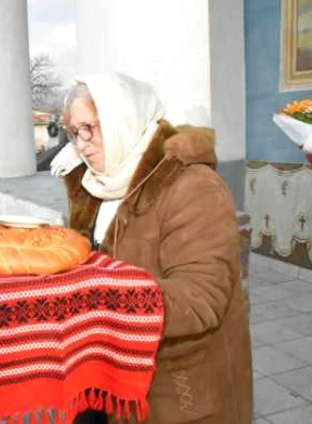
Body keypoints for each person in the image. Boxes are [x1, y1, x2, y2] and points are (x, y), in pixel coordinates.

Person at [51, 72, 252, 424]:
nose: (82, 144)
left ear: (122, 121)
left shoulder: (193, 187)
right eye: (74, 131)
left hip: (178, 390)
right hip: (108, 377)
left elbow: (201, 297)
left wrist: (101, 299)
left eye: (91, 128)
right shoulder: (96, 184)